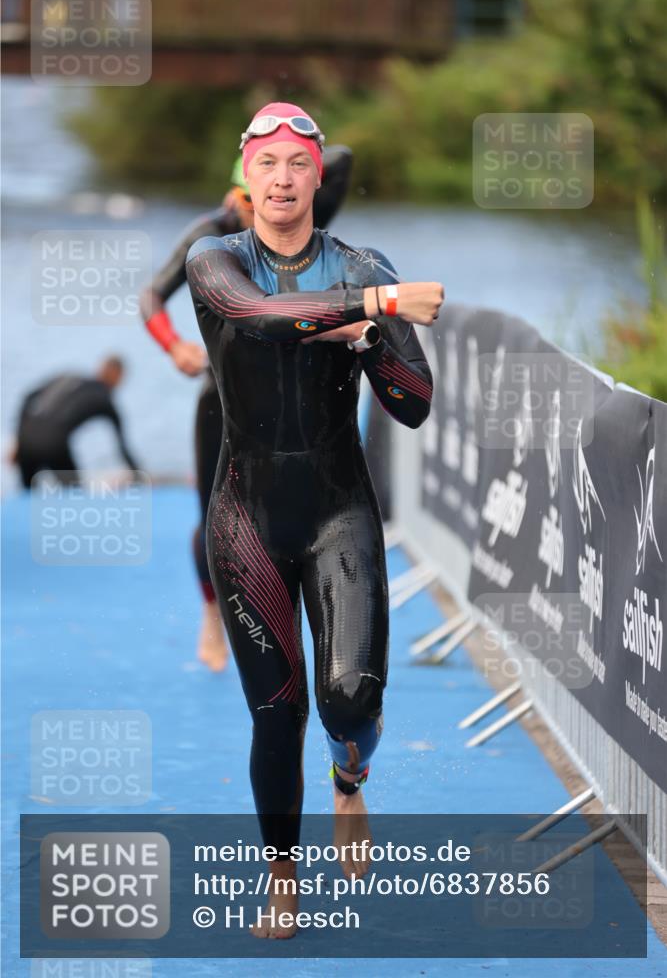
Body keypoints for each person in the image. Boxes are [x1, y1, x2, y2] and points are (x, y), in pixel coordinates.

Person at [186, 102, 442, 939]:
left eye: (299, 164)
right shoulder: (213, 258)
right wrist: (369, 306)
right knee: (277, 712)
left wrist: (375, 340)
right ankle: (282, 878)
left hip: (338, 509)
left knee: (351, 700)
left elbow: (413, 406)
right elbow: (258, 320)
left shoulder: (363, 260)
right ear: (246, 176)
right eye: (269, 166)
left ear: (316, 175)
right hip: (247, 516)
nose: (284, 180)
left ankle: (349, 778)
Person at [141, 149, 353, 673]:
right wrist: (174, 347)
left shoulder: (295, 219)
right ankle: (213, 611)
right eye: (243, 197)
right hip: (225, 395)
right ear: (234, 194)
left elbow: (343, 160)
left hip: (294, 395)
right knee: (211, 511)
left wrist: (291, 151)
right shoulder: (210, 240)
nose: (254, 207)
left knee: (309, 504)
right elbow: (150, 295)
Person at [13, 356, 139, 488]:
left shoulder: (70, 378)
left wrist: (18, 440)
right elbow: (123, 448)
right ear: (118, 377)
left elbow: (28, 397)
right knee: (74, 494)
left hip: (26, 440)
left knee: (27, 497)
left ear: (101, 368)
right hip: (53, 445)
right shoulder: (105, 400)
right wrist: (138, 475)